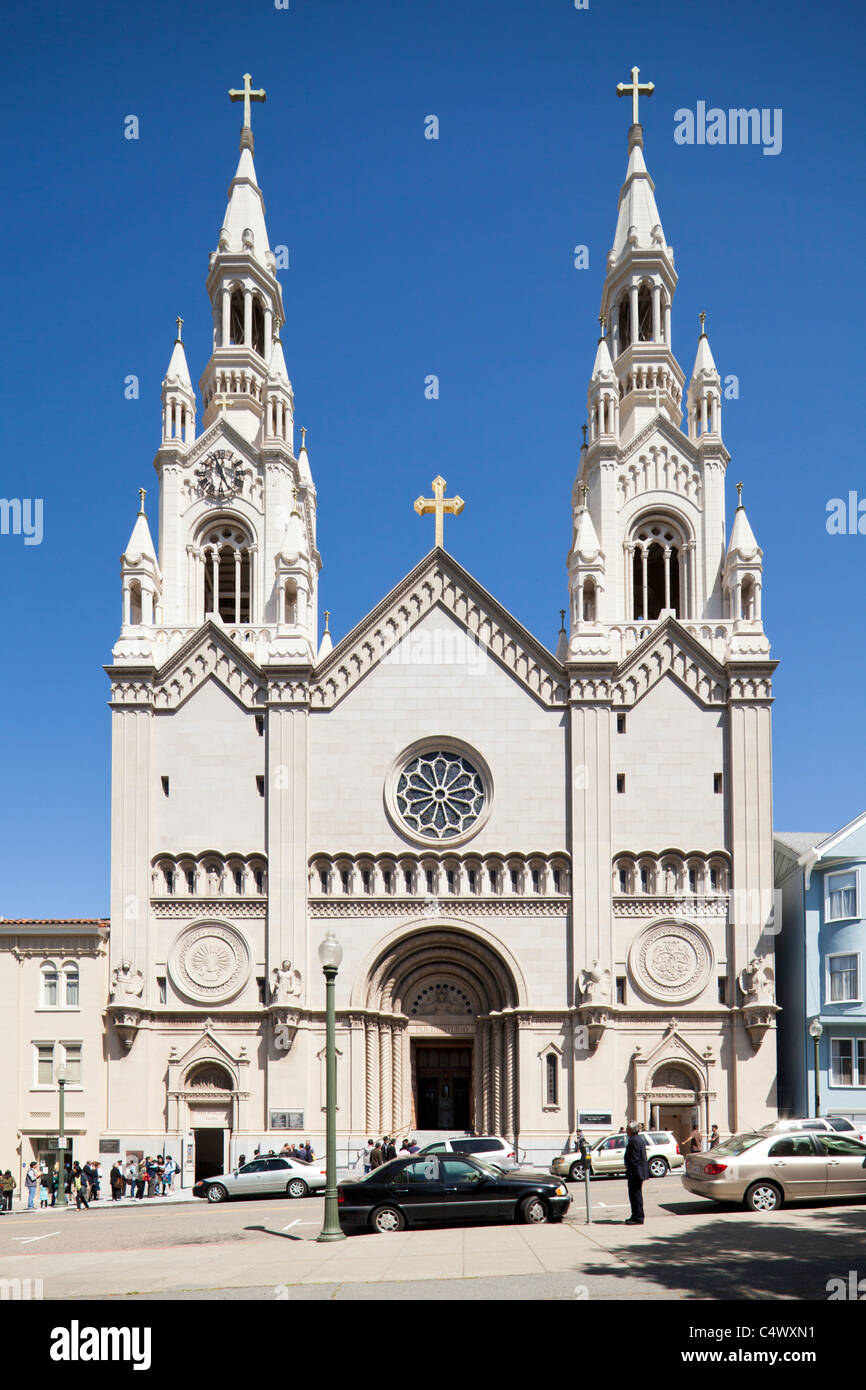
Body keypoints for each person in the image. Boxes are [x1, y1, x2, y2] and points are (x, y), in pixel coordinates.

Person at [624, 1120, 649, 1226]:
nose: (626, 1131)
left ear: (631, 1130)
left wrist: (630, 1171)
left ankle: (638, 1217)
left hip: (635, 1173)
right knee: (636, 1195)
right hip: (638, 1172)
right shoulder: (638, 1139)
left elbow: (634, 1158)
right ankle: (636, 1215)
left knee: (635, 1195)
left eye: (627, 1129)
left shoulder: (634, 1140)